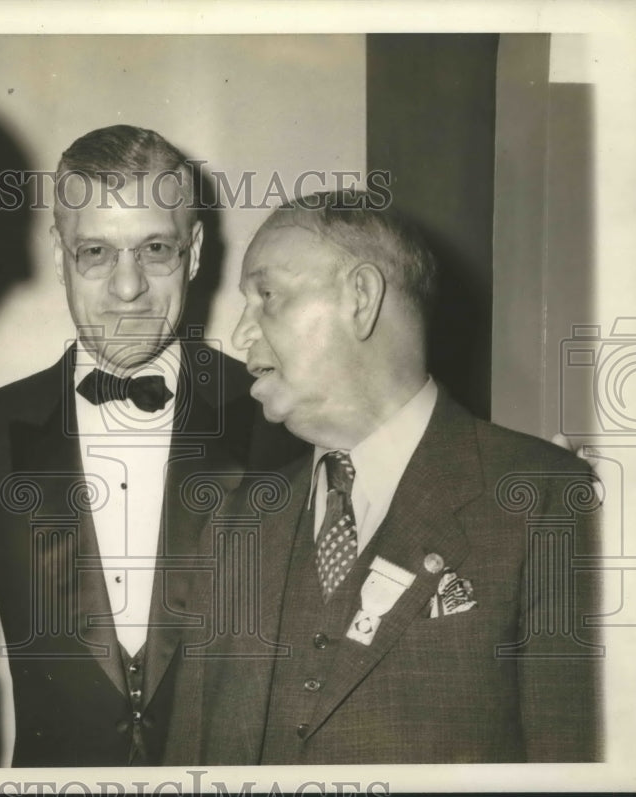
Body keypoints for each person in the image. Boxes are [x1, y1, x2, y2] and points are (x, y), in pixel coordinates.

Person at [165, 191, 602, 765]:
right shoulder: (235, 525)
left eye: (266, 296)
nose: (242, 334)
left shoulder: (548, 501)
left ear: (361, 298)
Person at [0, 125, 306, 767]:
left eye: (155, 249)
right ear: (60, 251)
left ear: (196, 251)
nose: (128, 289)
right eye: (96, 252)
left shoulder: (280, 419)